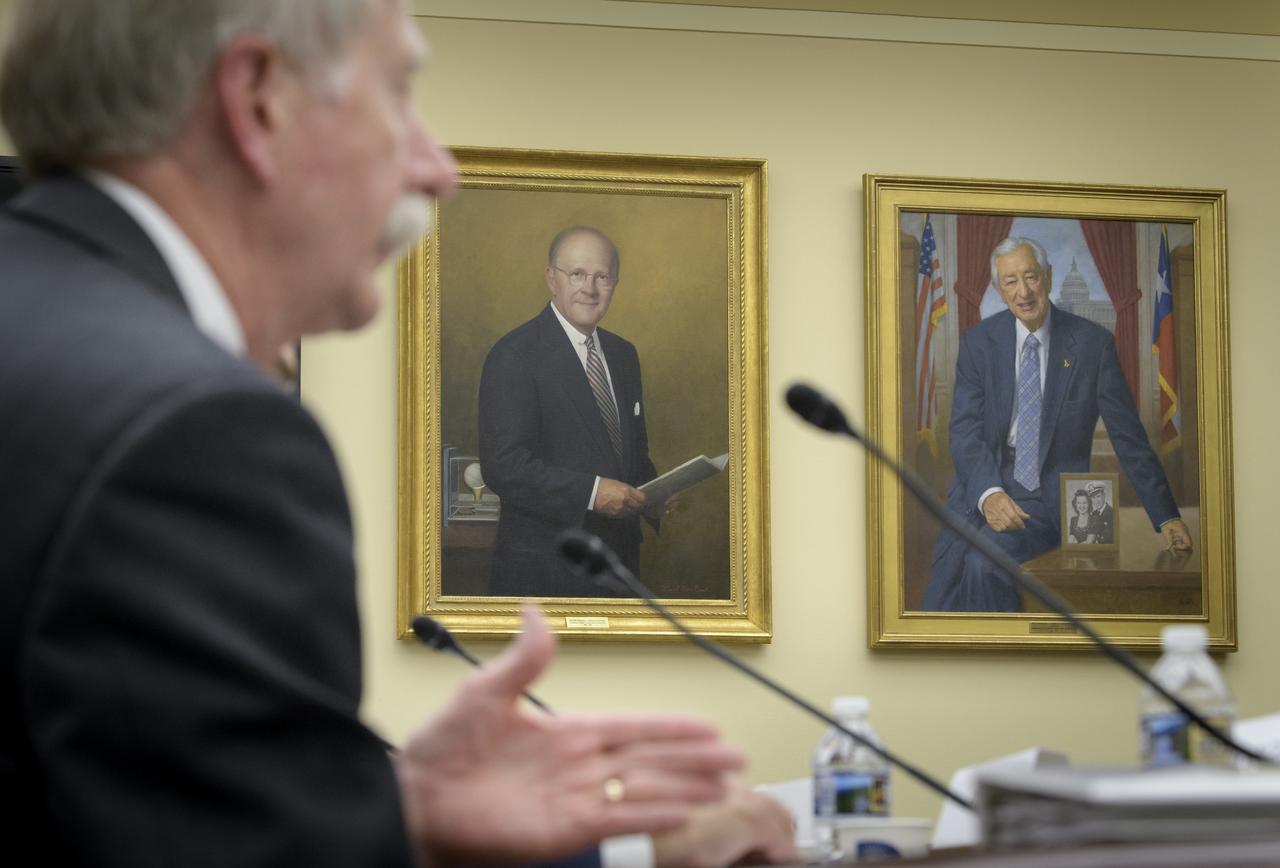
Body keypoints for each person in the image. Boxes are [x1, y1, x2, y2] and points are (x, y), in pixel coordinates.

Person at [0, 1, 797, 865]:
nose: (436, 168)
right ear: (259, 98)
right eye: (399, 95)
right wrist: (638, 855)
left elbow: (132, 797)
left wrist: (403, 804)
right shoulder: (196, 430)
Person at [921, 236, 1193, 612]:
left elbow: (1128, 438)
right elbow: (965, 432)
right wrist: (989, 494)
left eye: (1030, 277)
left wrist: (1166, 516)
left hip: (1051, 499)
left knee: (982, 565)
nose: (1023, 292)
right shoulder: (978, 343)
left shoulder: (1092, 345)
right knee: (944, 585)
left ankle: (999, 663)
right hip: (983, 488)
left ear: (1047, 277)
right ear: (999, 291)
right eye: (1010, 282)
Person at [479, 225, 662, 597]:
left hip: (619, 568)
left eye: (602, 277)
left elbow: (629, 455)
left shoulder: (624, 355)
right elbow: (504, 467)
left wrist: (655, 492)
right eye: (577, 274)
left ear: (615, 283)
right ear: (551, 279)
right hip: (545, 571)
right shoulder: (513, 355)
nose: (590, 288)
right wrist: (593, 493)